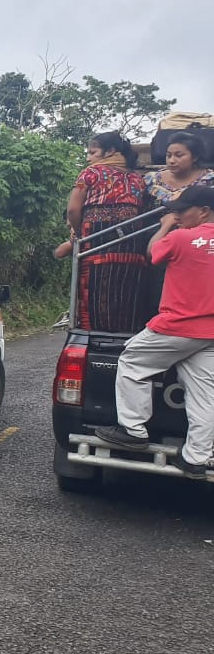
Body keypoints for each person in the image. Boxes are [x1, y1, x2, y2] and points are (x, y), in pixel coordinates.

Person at [94, 186, 214, 477]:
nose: (177, 214)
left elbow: (152, 254)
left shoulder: (181, 236)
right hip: (210, 332)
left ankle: (133, 430)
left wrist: (165, 226)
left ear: (204, 212)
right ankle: (197, 458)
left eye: (182, 210)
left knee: (132, 361)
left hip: (176, 325)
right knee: (204, 394)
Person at [65, 131, 150, 332]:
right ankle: (127, 334)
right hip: (132, 246)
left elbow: (72, 209)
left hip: (96, 242)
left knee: (93, 293)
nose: (88, 158)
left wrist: (78, 233)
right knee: (126, 294)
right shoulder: (137, 179)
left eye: (92, 152)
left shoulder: (90, 173)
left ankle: (93, 333)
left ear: (110, 151)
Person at [144, 132, 214, 205]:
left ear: (195, 157)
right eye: (169, 155)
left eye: (179, 155)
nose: (171, 161)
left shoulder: (210, 180)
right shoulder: (152, 179)